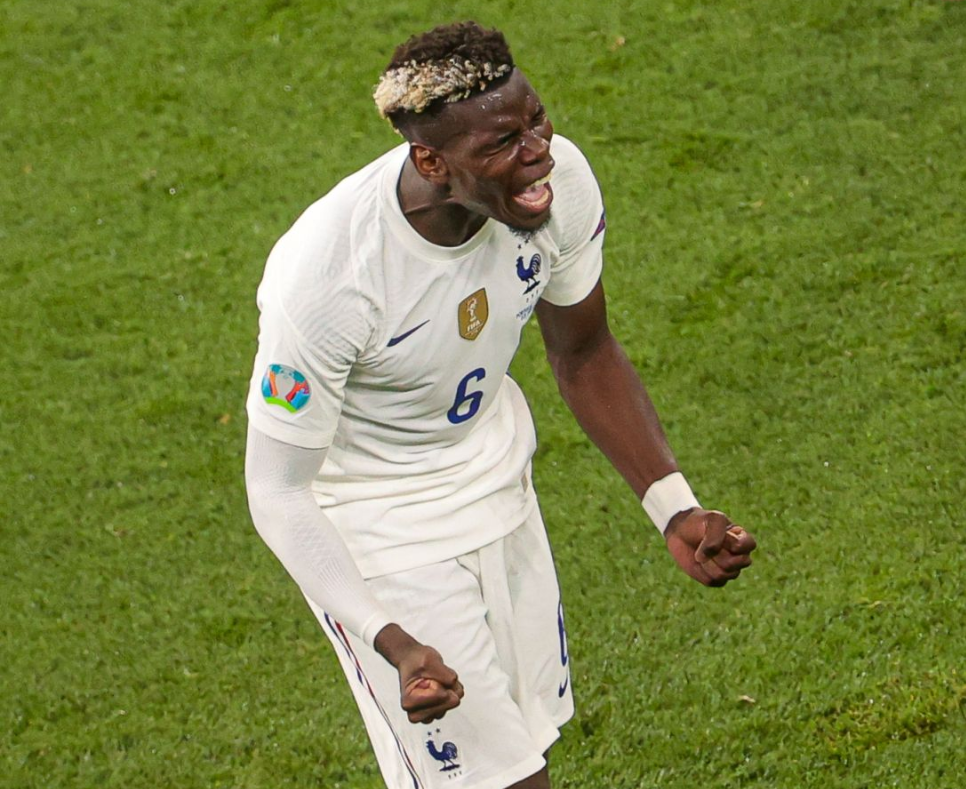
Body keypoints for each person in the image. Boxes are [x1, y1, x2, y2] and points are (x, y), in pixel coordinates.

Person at [244, 21, 757, 789]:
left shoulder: (555, 185)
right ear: (432, 161)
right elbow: (277, 490)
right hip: (383, 538)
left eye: (537, 120)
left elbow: (584, 352)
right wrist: (390, 637)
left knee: (527, 747)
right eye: (504, 143)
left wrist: (674, 507)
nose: (538, 152)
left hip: (502, 495)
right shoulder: (328, 279)